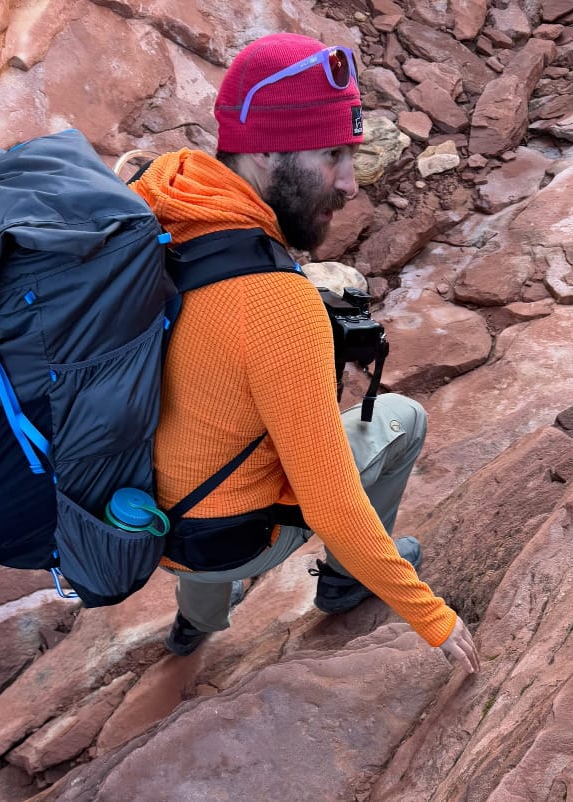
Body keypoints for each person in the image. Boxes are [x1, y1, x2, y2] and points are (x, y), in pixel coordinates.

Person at [130, 32, 478, 674]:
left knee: (207, 447)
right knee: (402, 420)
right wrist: (430, 615)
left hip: (147, 515)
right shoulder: (275, 304)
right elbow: (331, 501)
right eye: (331, 157)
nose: (350, 185)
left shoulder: (161, 199)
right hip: (229, 539)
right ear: (265, 150)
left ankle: (194, 623)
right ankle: (348, 581)